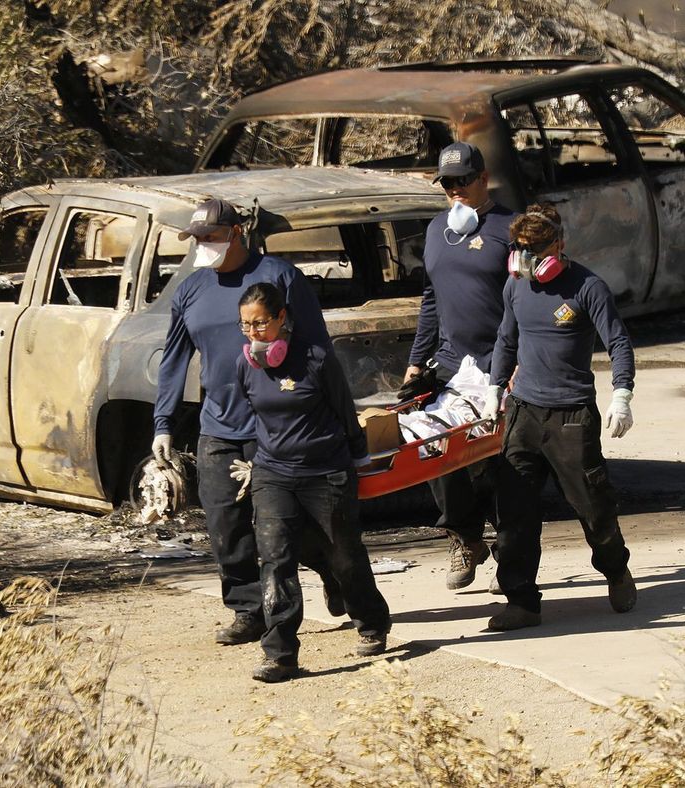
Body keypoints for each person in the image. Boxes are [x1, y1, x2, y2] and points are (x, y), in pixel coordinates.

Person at [152, 198, 341, 646]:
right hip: (217, 426)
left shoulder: (279, 277)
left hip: (276, 428)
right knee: (224, 524)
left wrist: (320, 418)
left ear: (237, 232)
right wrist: (163, 423)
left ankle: (336, 572)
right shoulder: (192, 289)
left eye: (211, 236)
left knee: (290, 525)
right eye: (196, 238)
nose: (202, 246)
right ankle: (248, 609)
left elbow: (318, 352)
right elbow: (174, 358)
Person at [483, 204, 638, 631]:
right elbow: (505, 339)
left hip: (571, 417)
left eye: (536, 248)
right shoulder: (515, 286)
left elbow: (619, 343)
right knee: (513, 513)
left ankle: (615, 570)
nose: (527, 257)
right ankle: (521, 602)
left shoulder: (588, 286)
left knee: (593, 506)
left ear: (559, 244)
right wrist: (495, 387)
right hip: (523, 412)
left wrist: (621, 394)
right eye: (521, 248)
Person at [236, 283, 392, 682]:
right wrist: (251, 463)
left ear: (282, 318)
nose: (254, 333)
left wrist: (359, 462)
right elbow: (248, 416)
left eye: (261, 324)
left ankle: (372, 622)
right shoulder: (245, 366)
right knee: (275, 561)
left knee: (344, 554)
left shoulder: (316, 359)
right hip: (272, 474)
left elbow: (344, 411)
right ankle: (280, 654)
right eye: (245, 326)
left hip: (326, 472)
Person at [403, 141, 516, 590]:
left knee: (501, 461)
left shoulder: (509, 228)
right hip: (451, 363)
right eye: (447, 183)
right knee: (434, 447)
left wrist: (522, 360)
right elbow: (431, 299)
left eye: (462, 181)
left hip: (501, 363)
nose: (454, 190)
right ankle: (465, 536)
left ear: (483, 178)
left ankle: (511, 550)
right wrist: (416, 362)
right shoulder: (436, 231)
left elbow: (527, 301)